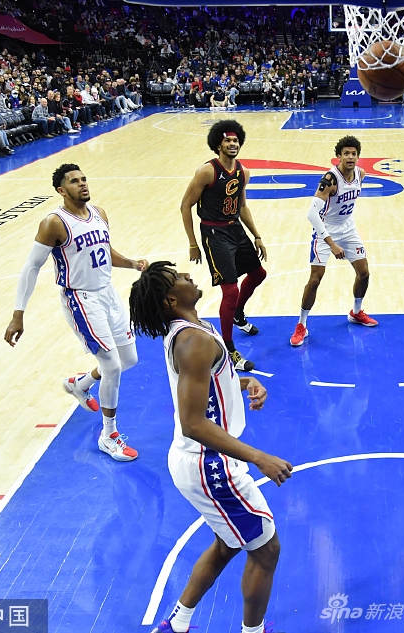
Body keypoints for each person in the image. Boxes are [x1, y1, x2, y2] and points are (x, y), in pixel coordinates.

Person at [129, 262, 291, 633]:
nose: (187, 275)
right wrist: (259, 457)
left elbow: (209, 383)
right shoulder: (193, 341)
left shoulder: (195, 331)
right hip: (210, 464)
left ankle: (178, 623)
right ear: (171, 300)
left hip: (203, 460)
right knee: (266, 550)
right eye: (178, 278)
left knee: (228, 543)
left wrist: (245, 382)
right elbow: (193, 422)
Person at [4, 164, 147, 462]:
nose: (82, 184)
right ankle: (109, 435)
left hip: (108, 294)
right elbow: (31, 267)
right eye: (74, 181)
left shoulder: (99, 213)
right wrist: (19, 313)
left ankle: (79, 384)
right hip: (81, 299)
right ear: (61, 190)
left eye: (83, 179)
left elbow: (105, 251)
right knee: (112, 367)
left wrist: (132, 263)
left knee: (128, 359)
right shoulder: (54, 223)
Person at [179, 121, 267, 372]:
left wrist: (257, 235)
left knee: (258, 274)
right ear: (218, 144)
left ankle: (238, 314)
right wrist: (193, 243)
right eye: (227, 140)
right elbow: (185, 206)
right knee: (230, 290)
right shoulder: (207, 172)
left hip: (235, 228)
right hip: (214, 233)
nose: (232, 144)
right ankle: (228, 349)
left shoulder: (243, 172)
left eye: (236, 140)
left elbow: (242, 206)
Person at [289, 135, 377, 347]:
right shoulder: (330, 180)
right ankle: (301, 325)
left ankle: (356, 312)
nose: (350, 157)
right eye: (346, 153)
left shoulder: (360, 174)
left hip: (348, 228)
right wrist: (332, 244)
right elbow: (312, 214)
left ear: (358, 157)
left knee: (364, 273)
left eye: (353, 154)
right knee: (315, 279)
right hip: (325, 229)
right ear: (338, 156)